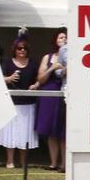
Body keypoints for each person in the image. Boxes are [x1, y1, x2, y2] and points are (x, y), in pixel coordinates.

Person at [0, 32, 39, 168]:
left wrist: (35, 85)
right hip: (11, 103)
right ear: (14, 50)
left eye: (25, 48)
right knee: (10, 132)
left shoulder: (33, 63)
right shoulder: (7, 62)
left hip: (28, 104)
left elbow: (39, 79)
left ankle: (23, 161)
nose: (22, 50)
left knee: (25, 133)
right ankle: (10, 161)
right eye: (19, 48)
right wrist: (8, 79)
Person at [34, 27, 67, 171]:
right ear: (55, 40)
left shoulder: (70, 55)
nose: (64, 39)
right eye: (61, 37)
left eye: (66, 37)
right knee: (51, 132)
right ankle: (53, 163)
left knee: (63, 131)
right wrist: (52, 68)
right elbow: (40, 79)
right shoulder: (47, 57)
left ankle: (64, 164)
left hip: (64, 95)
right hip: (49, 95)